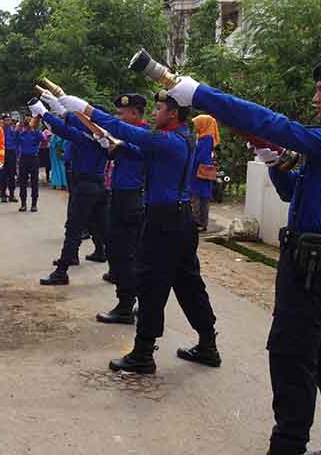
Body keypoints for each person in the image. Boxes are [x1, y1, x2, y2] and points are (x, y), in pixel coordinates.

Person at [163, 58, 321, 455]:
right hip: (312, 260)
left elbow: (272, 121)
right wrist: (272, 159)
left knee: (291, 356)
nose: (316, 98)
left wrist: (201, 94)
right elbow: (296, 194)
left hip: (308, 265)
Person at [50, 90, 220, 376]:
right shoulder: (182, 139)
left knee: (151, 283)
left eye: (160, 109)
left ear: (174, 114)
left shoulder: (169, 141)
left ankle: (143, 352)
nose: (155, 113)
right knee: (188, 283)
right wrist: (114, 147)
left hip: (163, 220)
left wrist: (87, 109)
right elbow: (138, 152)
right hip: (179, 219)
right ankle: (208, 343)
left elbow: (125, 130)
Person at [32, 99, 109, 286]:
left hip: (85, 186)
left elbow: (61, 128)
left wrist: (43, 112)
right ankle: (115, 268)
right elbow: (70, 122)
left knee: (73, 229)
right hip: (98, 186)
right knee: (103, 229)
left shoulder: (87, 138)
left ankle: (62, 271)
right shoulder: (102, 137)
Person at [96, 94, 148, 325]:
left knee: (124, 253)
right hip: (119, 195)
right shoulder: (127, 134)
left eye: (123, 113)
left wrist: (120, 145)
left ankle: (126, 305)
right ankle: (134, 301)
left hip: (132, 198)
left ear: (135, 114)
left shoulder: (145, 134)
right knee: (120, 251)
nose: (120, 117)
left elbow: (138, 152)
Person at [191, 114, 220, 232]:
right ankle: (201, 222)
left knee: (198, 196)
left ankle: (199, 222)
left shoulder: (206, 138)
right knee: (201, 196)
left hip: (199, 172)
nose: (195, 126)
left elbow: (201, 157)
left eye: (197, 123)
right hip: (200, 172)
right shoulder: (203, 137)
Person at [16, 115, 43, 212]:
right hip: (23, 159)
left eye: (29, 121)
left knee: (34, 182)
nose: (28, 123)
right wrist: (18, 129)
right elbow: (15, 139)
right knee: (22, 182)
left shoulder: (35, 133)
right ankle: (23, 204)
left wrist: (35, 129)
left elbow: (42, 138)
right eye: (26, 121)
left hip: (34, 159)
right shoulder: (22, 133)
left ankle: (34, 204)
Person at [0, 114, 19, 203]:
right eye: (5, 120)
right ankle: (3, 194)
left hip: (11, 154)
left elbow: (17, 142)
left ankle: (11, 194)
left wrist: (17, 155)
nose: (7, 122)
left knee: (12, 175)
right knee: (3, 175)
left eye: (8, 120)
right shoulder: (0, 131)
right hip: (2, 154)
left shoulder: (13, 131)